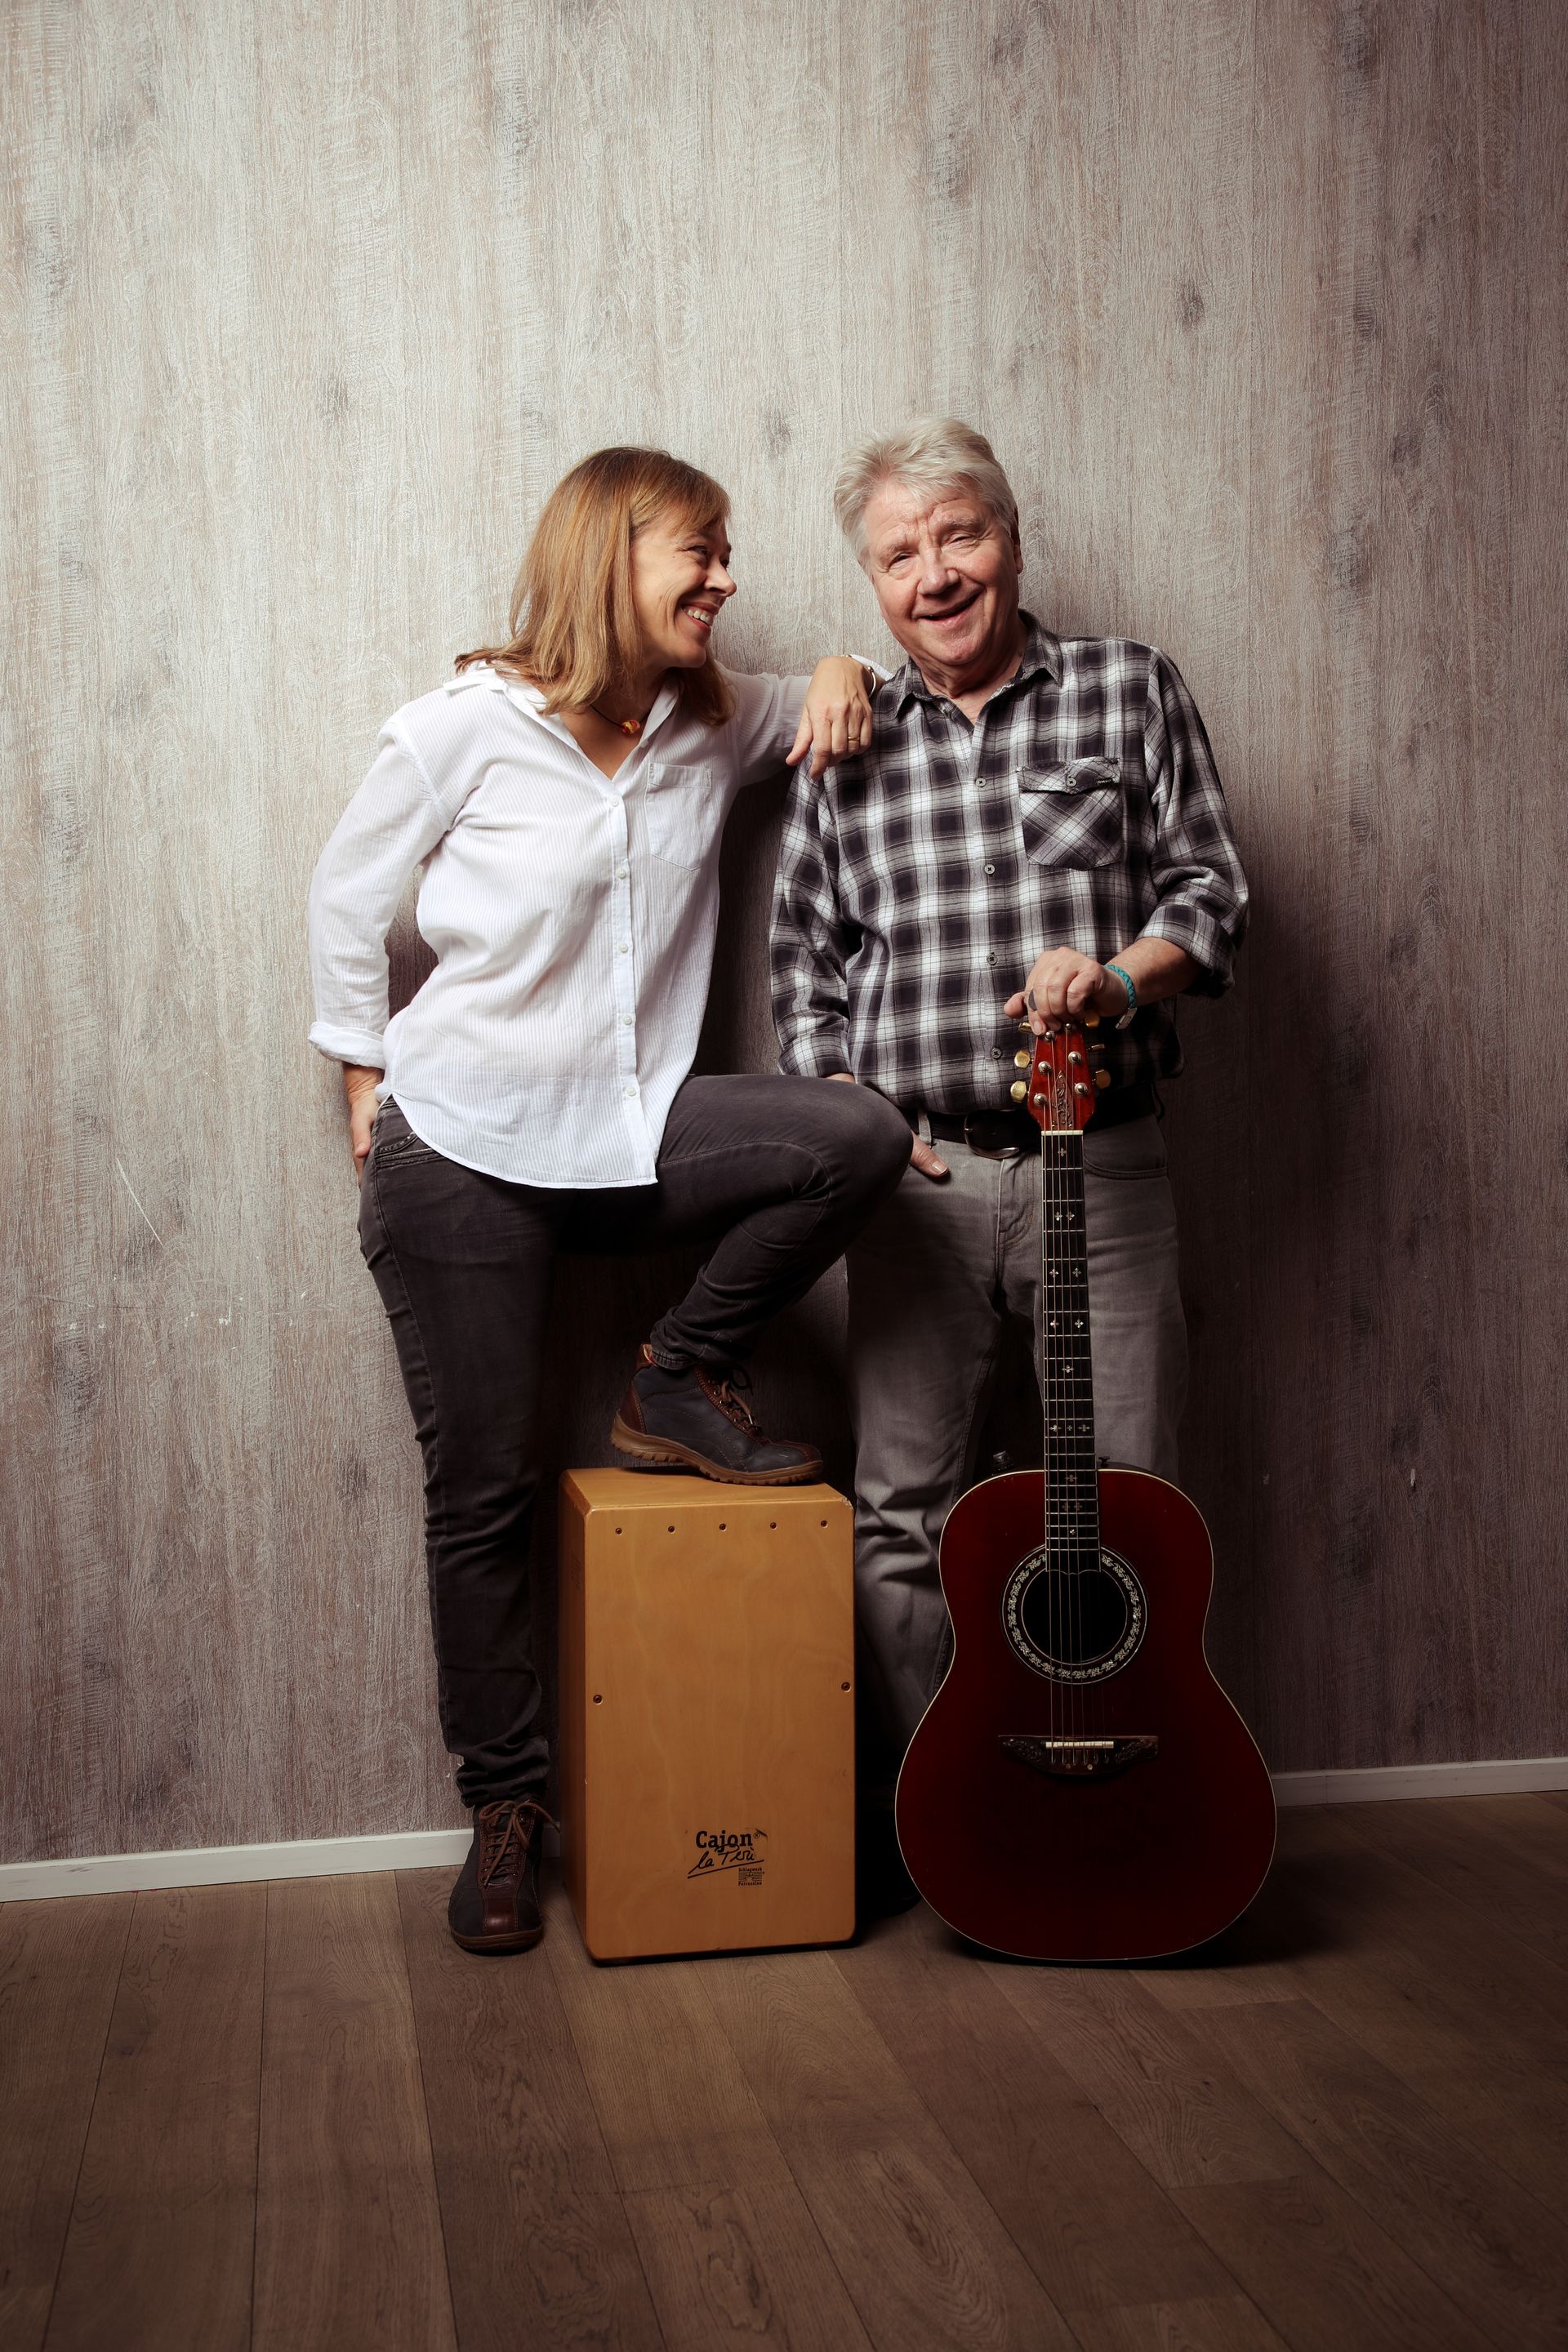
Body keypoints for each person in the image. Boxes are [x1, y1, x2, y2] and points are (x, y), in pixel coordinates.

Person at [309, 445, 913, 1956]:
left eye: (726, 553)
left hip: (634, 1136)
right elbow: (345, 896)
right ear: (608, 554)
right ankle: (507, 1813)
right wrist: (365, 1073)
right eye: (697, 552)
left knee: (854, 1136)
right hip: (465, 1145)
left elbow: (837, 691)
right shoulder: (466, 725)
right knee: (486, 1491)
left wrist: (840, 663)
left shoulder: (714, 718)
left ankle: (676, 1371)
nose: (724, 579)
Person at [770, 417, 1249, 1909]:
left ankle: (1129, 1807)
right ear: (872, 584)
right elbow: (804, 974)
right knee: (901, 1517)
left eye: (957, 535)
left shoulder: (1127, 688)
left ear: (1012, 539)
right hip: (915, 1192)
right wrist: (858, 1123)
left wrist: (1116, 979)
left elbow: (1211, 893)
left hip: (1100, 1165)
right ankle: (964, 1802)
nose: (934, 574)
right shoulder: (844, 740)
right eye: (898, 555)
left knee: (1134, 1507)